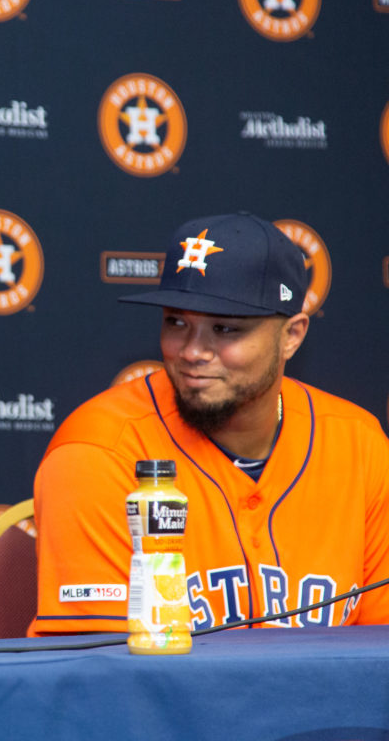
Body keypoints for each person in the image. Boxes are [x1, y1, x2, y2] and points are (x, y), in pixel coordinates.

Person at [28, 212, 389, 636]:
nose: (193, 351)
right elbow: (100, 677)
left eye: (224, 328)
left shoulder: (359, 445)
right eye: (176, 322)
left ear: (291, 335)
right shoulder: (98, 453)